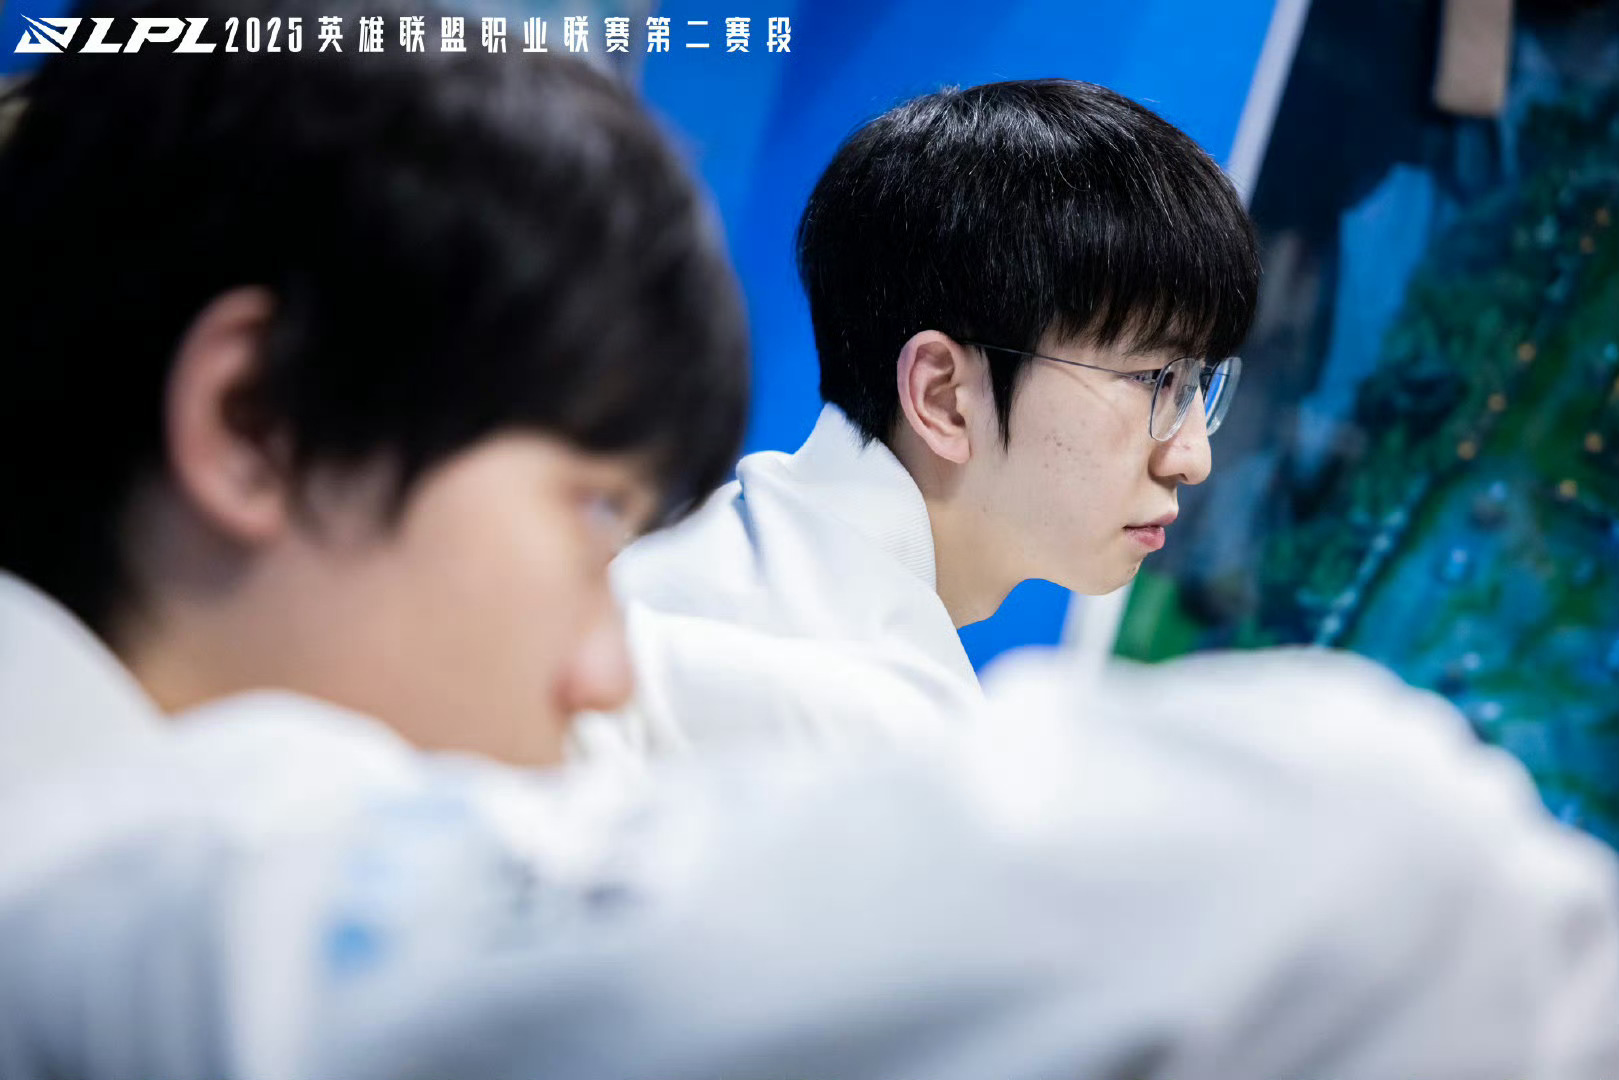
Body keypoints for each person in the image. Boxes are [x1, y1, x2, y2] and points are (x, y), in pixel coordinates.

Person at [1, 3, 1616, 1076]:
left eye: (1202, 390)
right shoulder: (108, 903)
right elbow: (1363, 864)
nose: (602, 656)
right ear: (254, 421)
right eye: (588, 511)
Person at [603, 78, 1259, 754]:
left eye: (1196, 387)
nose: (1192, 456)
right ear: (943, 396)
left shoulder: (699, 561)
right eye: (1154, 380)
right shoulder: (860, 727)